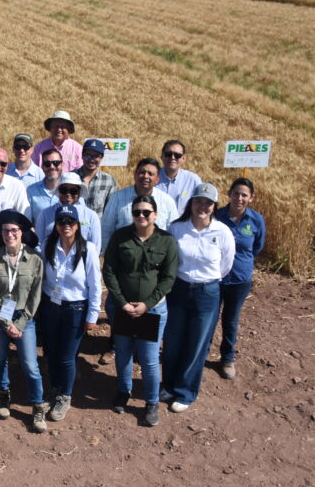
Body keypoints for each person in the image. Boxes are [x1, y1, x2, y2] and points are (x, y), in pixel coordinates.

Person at [102, 194, 178, 427]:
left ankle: (151, 401)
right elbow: (110, 271)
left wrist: (148, 304)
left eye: (146, 212)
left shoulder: (166, 241)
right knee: (123, 353)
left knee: (149, 358)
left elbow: (168, 278)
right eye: (137, 212)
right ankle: (124, 391)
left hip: (152, 310)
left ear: (155, 214)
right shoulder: (120, 237)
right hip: (123, 307)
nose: (141, 216)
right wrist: (122, 302)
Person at [161, 184, 235, 413]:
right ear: (191, 203)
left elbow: (225, 266)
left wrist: (205, 281)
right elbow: (170, 259)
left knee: (197, 343)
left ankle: (185, 391)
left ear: (214, 206)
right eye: (198, 201)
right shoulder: (176, 228)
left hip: (207, 293)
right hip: (179, 289)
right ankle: (169, 384)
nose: (202, 206)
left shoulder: (222, 232)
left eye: (208, 203)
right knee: (172, 340)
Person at [0, 210, 47, 433]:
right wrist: (4, 322)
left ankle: (38, 405)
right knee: (0, 359)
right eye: (5, 231)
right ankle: (3, 395)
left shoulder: (35, 260)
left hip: (23, 319)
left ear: (22, 233)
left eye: (14, 230)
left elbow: (35, 296)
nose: (9, 234)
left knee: (30, 365)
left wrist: (19, 324)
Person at [39, 205, 102, 422]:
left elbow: (95, 285)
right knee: (51, 353)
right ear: (55, 225)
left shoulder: (88, 249)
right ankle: (54, 389)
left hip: (75, 308)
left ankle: (65, 396)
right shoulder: (47, 245)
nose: (66, 226)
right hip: (51, 306)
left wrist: (93, 315)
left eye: (70, 222)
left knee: (66, 357)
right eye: (61, 222)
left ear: (77, 225)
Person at [211, 178, 266, 380]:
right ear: (229, 194)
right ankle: (200, 355)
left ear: (251, 198)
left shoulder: (256, 220)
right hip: (215, 277)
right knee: (209, 317)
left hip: (240, 279)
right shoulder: (217, 215)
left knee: (231, 319)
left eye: (244, 195)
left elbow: (257, 247)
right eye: (236, 193)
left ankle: (227, 358)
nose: (239, 198)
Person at [100, 158, 179, 250]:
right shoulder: (118, 197)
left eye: (150, 174)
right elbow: (106, 229)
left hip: (157, 259)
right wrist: (109, 255)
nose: (145, 176)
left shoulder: (167, 201)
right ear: (135, 174)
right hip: (124, 258)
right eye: (142, 172)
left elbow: (174, 232)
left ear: (157, 179)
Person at [34, 172, 102, 250]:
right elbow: (38, 244)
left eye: (73, 191)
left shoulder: (91, 216)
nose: (68, 194)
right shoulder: (45, 214)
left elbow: (95, 247)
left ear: (79, 192)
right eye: (64, 190)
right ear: (58, 191)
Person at [76, 138, 118, 217]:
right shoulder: (71, 177)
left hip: (97, 228)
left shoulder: (109, 181)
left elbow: (111, 211)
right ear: (82, 155)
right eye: (88, 155)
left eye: (95, 156)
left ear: (101, 158)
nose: (91, 160)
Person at [157, 140, 202, 213]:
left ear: (183, 158)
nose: (172, 157)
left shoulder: (193, 180)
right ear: (162, 156)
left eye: (177, 155)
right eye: (168, 154)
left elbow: (202, 204)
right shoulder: (151, 177)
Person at [27, 148, 63, 224]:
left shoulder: (73, 190)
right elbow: (27, 221)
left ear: (62, 165)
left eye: (56, 163)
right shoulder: (31, 191)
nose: (52, 167)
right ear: (42, 166)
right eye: (47, 164)